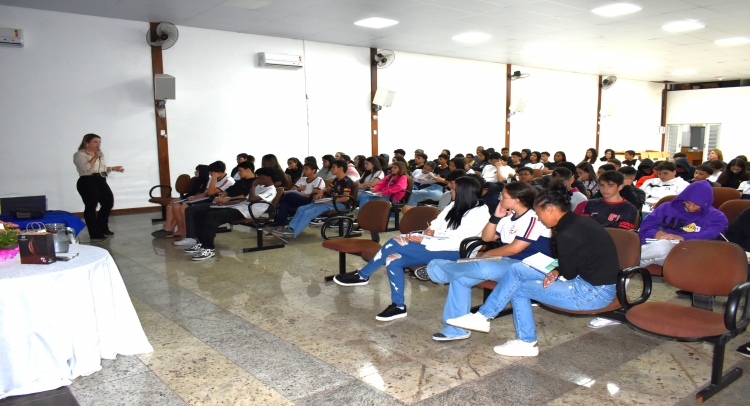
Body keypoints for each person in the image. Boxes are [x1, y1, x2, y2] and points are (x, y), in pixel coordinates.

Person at [445, 185, 620, 357]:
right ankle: (485, 318)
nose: (539, 219)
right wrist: (557, 269)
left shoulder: (565, 232)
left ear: (550, 209)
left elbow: (570, 273)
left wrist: (560, 270)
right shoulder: (579, 221)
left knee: (518, 286)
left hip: (591, 293)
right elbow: (578, 258)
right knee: (517, 271)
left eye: (539, 213)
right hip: (594, 283)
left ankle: (521, 339)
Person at [333, 176, 490, 321]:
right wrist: (429, 232)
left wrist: (424, 240)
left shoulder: (480, 213)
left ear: (464, 192)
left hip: (456, 253)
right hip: (436, 244)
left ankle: (362, 275)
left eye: (454, 189)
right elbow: (437, 223)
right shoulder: (454, 205)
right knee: (393, 259)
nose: (451, 191)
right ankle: (398, 306)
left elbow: (459, 242)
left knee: (395, 242)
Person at [423, 183, 551, 341]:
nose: (499, 198)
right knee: (461, 279)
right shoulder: (508, 217)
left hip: (527, 265)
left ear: (517, 200)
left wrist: (486, 254)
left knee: (482, 267)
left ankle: (436, 268)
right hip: (507, 262)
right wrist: (496, 217)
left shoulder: (533, 217)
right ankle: (456, 330)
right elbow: (487, 237)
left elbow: (515, 249)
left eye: (503, 196)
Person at [187, 167, 277, 261]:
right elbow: (244, 200)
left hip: (248, 212)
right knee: (199, 213)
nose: (257, 178)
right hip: (238, 207)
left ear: (268, 177)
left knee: (212, 216)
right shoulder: (260, 187)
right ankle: (201, 242)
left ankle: (208, 248)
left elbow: (252, 199)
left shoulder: (271, 190)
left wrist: (253, 184)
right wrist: (226, 203)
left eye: (260, 176)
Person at [638, 180, 727, 268]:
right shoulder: (666, 207)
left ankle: (631, 259)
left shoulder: (717, 217)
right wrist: (656, 233)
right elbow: (647, 225)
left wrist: (683, 238)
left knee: (663, 247)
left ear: (706, 204)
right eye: (688, 202)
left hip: (690, 255)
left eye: (696, 204)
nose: (691, 207)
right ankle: (632, 265)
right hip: (658, 248)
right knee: (662, 248)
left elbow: (711, 236)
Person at [272, 160, 353, 239]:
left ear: (341, 168)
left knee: (309, 212)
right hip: (330, 202)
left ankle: (293, 233)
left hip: (339, 204)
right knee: (301, 208)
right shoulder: (336, 180)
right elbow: (328, 189)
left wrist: (329, 201)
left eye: (333, 167)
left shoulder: (347, 181)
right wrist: (321, 191)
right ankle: (290, 229)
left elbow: (345, 198)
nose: (331, 169)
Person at [73, 133, 124, 241]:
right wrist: (95, 157)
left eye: (99, 142)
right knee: (91, 206)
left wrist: (112, 168)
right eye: (95, 142)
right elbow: (85, 168)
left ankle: (102, 227)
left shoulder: (99, 153)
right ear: (87, 143)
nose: (98, 144)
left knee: (108, 203)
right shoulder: (80, 154)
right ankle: (94, 233)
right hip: (87, 181)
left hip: (100, 180)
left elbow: (100, 168)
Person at [173, 161, 235, 246]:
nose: (210, 174)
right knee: (188, 208)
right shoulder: (212, 178)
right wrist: (195, 197)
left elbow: (211, 192)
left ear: (220, 173)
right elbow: (206, 192)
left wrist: (213, 178)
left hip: (221, 204)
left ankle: (191, 237)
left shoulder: (228, 180)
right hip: (211, 201)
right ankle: (190, 236)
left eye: (212, 172)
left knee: (191, 210)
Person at [152, 164, 210, 238]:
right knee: (171, 206)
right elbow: (191, 193)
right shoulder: (197, 181)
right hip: (191, 199)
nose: (195, 172)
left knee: (178, 207)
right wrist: (181, 198)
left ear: (202, 172)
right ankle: (169, 228)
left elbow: (203, 195)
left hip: (200, 201)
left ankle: (181, 230)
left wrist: (187, 198)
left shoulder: (208, 181)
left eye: (197, 171)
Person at [274, 162, 325, 230]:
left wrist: (301, 194)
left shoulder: (318, 180)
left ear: (314, 170)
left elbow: (313, 195)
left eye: (306, 169)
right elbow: (292, 190)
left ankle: (275, 215)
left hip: (309, 200)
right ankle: (280, 227)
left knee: (288, 197)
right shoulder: (302, 179)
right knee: (284, 203)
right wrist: (298, 189)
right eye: (303, 169)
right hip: (297, 198)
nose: (304, 171)